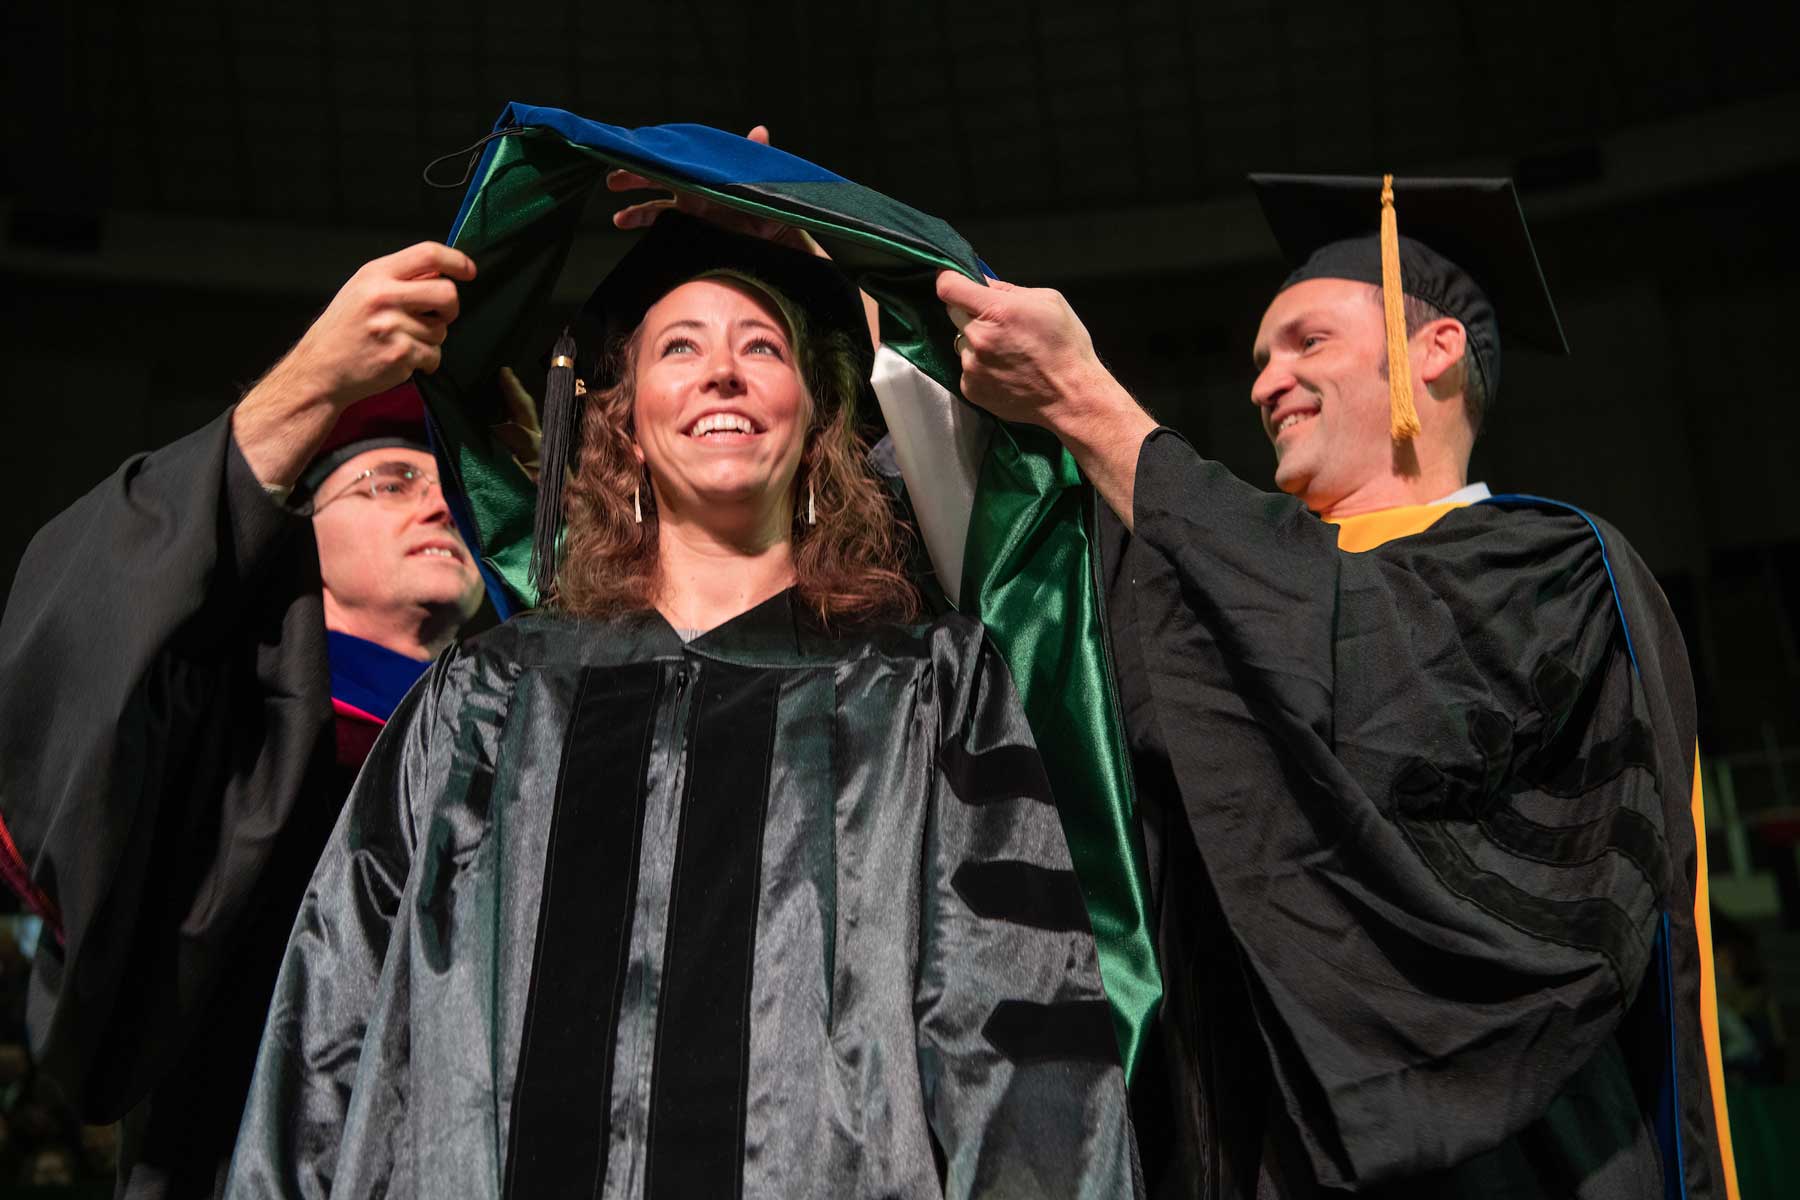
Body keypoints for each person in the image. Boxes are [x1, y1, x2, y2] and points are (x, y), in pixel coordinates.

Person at [224, 213, 1142, 1199]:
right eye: (679, 346)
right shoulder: (484, 699)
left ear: (819, 413)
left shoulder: (925, 690)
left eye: (763, 346)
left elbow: (1018, 1048)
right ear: (619, 416)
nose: (723, 373)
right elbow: (333, 1040)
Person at [926, 175, 1736, 1198]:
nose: (1266, 383)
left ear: (1433, 350)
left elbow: (1366, 675)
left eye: (1306, 342)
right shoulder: (1203, 592)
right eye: (1262, 359)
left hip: (1527, 1171)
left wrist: (1093, 404)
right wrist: (827, 270)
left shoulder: (1561, 572)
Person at [0, 241, 487, 1198]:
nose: (435, 498)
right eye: (389, 482)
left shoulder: (524, 728)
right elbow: (85, 673)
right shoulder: (227, 719)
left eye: (446, 487)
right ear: (297, 531)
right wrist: (298, 397)